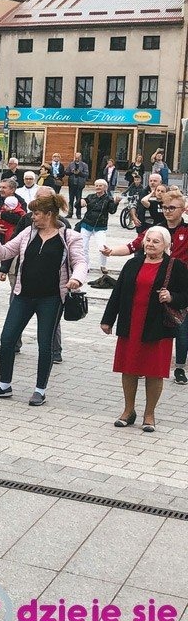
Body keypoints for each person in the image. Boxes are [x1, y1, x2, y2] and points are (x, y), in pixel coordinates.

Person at [0, 193, 87, 406]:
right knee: (7, 339)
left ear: (49, 214)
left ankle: (40, 390)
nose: (33, 217)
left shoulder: (69, 237)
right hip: (23, 295)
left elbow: (80, 262)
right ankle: (4, 385)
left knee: (44, 344)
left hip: (51, 298)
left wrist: (76, 279)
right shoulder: (28, 233)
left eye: (36, 213)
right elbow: (4, 253)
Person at [101, 226, 188, 433]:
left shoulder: (175, 266)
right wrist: (108, 320)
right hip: (131, 323)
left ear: (166, 245)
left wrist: (172, 297)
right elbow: (118, 293)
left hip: (158, 326)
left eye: (156, 241)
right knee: (128, 367)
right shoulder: (132, 263)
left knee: (154, 371)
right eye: (148, 240)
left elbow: (185, 294)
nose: (150, 244)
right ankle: (128, 411)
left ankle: (149, 414)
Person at [103, 190, 188, 384]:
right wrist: (112, 252)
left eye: (172, 208)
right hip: (155, 282)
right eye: (164, 207)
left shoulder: (186, 230)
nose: (167, 211)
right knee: (149, 327)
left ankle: (179, 368)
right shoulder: (156, 230)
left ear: (183, 209)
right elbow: (134, 245)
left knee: (181, 328)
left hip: (179, 284)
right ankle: (142, 364)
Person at [80, 179, 120, 288]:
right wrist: (80, 201)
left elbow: (112, 211)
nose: (98, 187)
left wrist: (116, 203)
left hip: (100, 226)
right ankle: (85, 265)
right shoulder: (90, 196)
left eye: (100, 186)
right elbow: (78, 205)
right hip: (87, 224)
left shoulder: (108, 198)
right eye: (96, 185)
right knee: (83, 246)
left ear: (105, 188)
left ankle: (103, 265)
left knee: (102, 247)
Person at [65, 152, 90, 218]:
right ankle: (70, 213)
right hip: (72, 184)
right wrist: (71, 172)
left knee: (78, 199)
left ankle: (78, 214)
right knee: (71, 199)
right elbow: (66, 172)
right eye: (76, 158)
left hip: (79, 184)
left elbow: (86, 174)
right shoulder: (71, 164)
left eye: (78, 158)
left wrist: (80, 173)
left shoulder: (84, 165)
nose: (77, 159)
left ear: (80, 157)